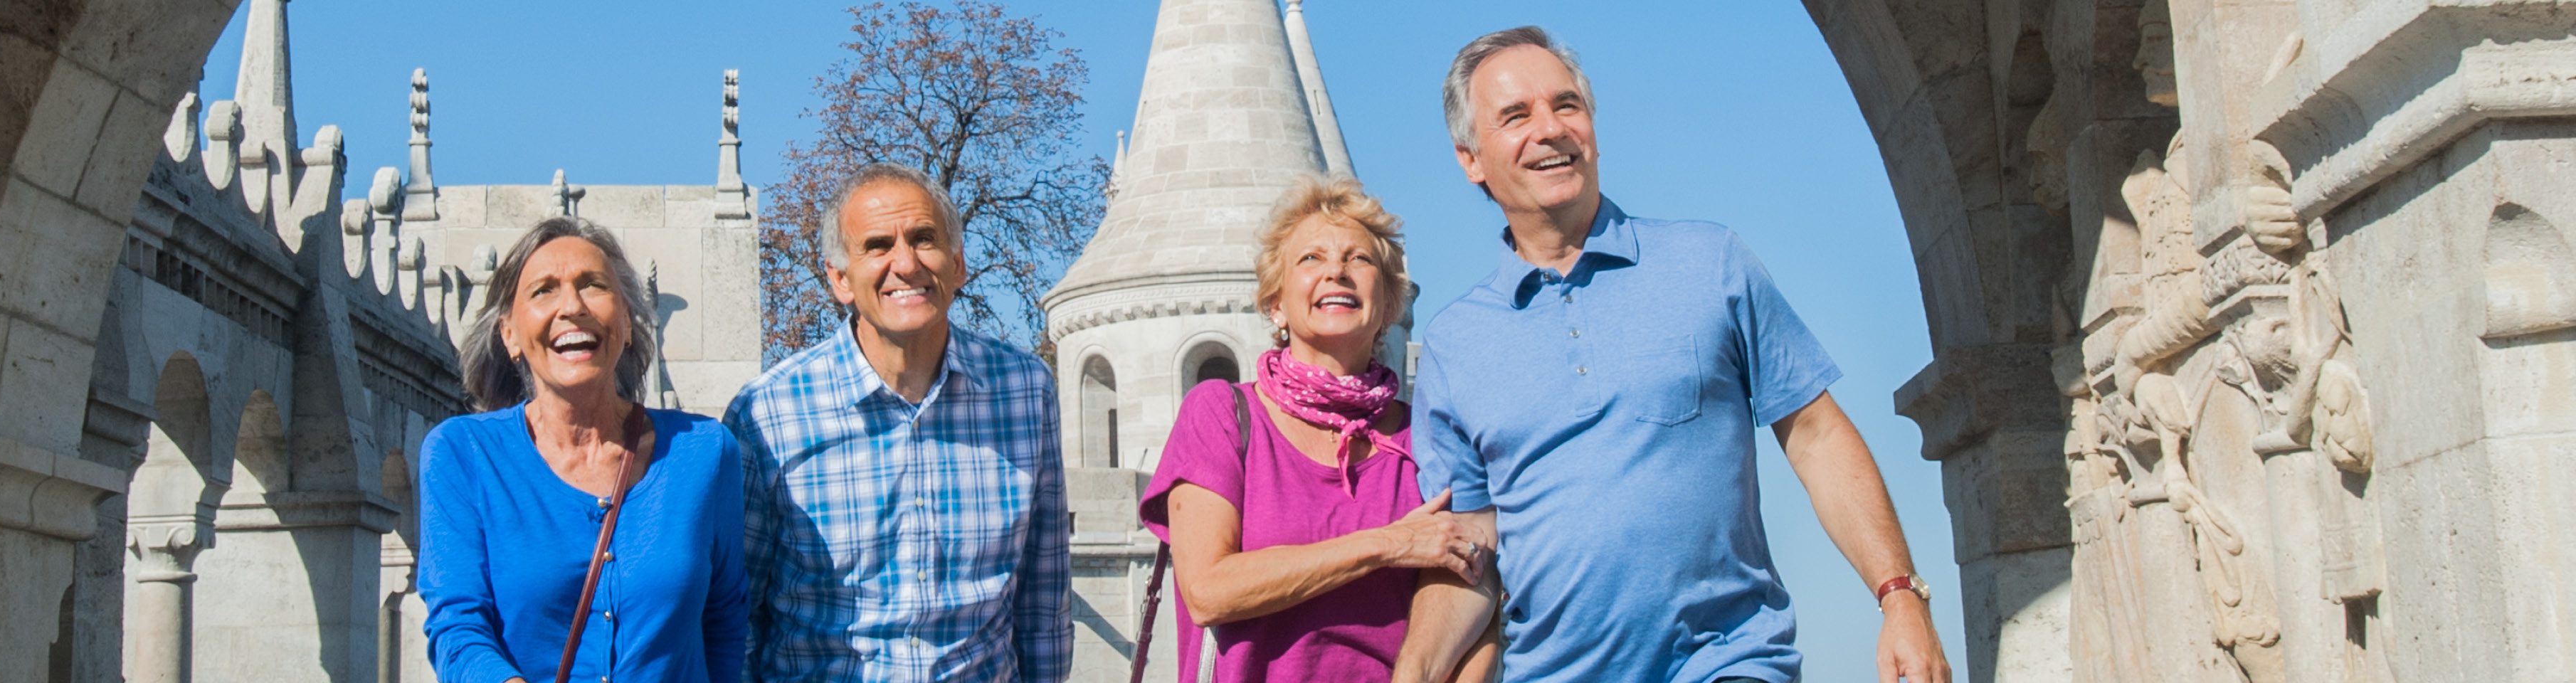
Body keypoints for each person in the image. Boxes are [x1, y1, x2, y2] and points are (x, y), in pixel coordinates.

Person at [1391, 27, 1953, 683]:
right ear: (1471, 159)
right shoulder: (1456, 343)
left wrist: (1901, 598)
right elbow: (1470, 550)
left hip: (1731, 661)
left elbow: (1818, 438)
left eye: (1566, 105)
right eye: (1516, 116)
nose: (1551, 129)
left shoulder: (1710, 263)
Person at [1136, 176, 1494, 683]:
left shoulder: (1429, 436)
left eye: (1359, 259)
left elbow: (1478, 601)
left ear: (1389, 305)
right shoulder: (1222, 413)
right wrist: (1388, 545)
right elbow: (1209, 590)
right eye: (1311, 259)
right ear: (1276, 304)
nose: (1336, 272)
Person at [724, 163, 1070, 682]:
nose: (905, 263)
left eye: (924, 239)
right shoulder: (768, 414)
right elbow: (737, 615)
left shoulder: (1025, 391)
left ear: (957, 266)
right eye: (878, 245)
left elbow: (1044, 597)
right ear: (839, 279)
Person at [420, 217, 751, 683]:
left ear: (629, 324)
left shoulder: (705, 453)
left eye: (593, 286)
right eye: (543, 291)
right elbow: (457, 626)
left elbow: (726, 622)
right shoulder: (463, 453)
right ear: (509, 334)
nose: (572, 307)